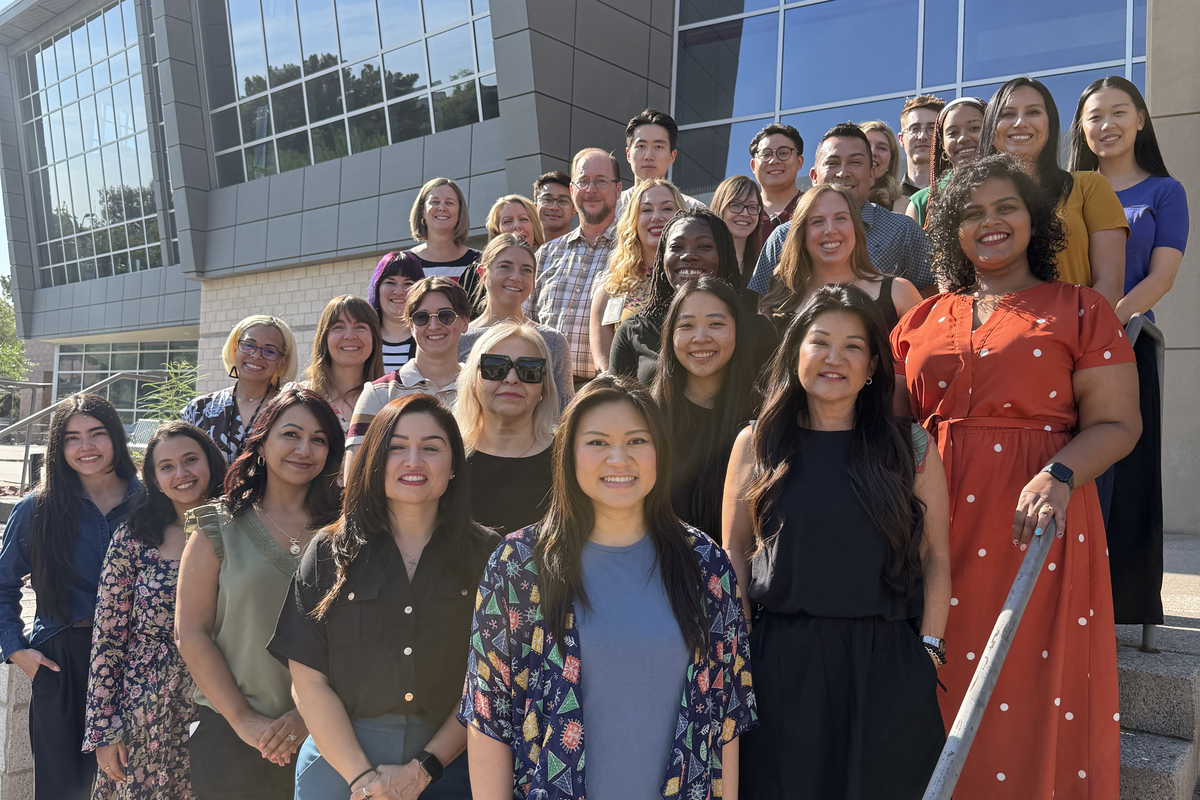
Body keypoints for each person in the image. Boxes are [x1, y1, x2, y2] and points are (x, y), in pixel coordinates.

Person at [894, 154, 1141, 796]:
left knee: (1028, 684)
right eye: (972, 213)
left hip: (1033, 526)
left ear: (1034, 219)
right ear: (953, 230)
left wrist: (1060, 471)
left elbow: (1118, 424)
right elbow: (885, 425)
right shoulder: (920, 318)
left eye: (1005, 207)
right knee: (931, 679)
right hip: (931, 525)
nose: (991, 222)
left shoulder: (1082, 309)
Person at [458, 377, 757, 800]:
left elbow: (726, 719)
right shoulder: (519, 565)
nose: (619, 458)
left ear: (660, 452)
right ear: (568, 454)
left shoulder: (705, 564)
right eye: (597, 443)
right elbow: (489, 716)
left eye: (637, 441)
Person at [724, 285, 950, 799]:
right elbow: (734, 550)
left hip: (886, 663)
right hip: (782, 661)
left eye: (853, 346)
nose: (834, 358)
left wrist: (931, 650)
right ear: (795, 351)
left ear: (873, 364)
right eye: (820, 342)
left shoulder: (909, 445)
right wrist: (743, 649)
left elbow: (936, 555)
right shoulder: (757, 442)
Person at [269, 394, 498, 800]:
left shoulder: (489, 557)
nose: (414, 461)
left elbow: (489, 681)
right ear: (375, 461)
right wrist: (362, 781)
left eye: (431, 448)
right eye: (397, 447)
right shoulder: (330, 551)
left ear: (453, 467)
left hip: (450, 766)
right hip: (340, 766)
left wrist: (424, 770)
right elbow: (307, 680)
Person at [176, 387, 344, 800]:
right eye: (291, 434)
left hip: (330, 737)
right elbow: (191, 633)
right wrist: (242, 719)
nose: (304, 449)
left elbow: (360, 638)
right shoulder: (217, 525)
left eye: (319, 439)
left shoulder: (347, 532)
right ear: (262, 443)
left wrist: (308, 717)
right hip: (231, 736)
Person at [1069, 75, 1190, 627]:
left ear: (1140, 119)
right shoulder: (1066, 190)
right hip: (1063, 349)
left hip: (1127, 343)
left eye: (1119, 111)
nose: (1107, 124)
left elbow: (1161, 276)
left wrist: (1104, 323)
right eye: (1095, 115)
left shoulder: (1164, 192)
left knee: (1129, 477)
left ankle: (1126, 608)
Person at [0, 394, 140, 800]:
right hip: (62, 659)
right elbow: (4, 584)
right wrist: (16, 650)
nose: (87, 447)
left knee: (133, 781)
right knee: (63, 789)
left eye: (97, 434)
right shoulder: (36, 509)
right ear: (58, 448)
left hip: (137, 658)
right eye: (73, 438)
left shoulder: (151, 504)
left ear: (116, 438)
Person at [84, 422, 227, 800]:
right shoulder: (134, 537)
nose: (181, 474)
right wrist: (105, 729)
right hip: (145, 706)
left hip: (223, 697)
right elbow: (108, 639)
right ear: (154, 478)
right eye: (166, 467)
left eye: (190, 460)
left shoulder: (245, 530)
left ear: (211, 462)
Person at [978, 77, 1128, 308]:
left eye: (1033, 112)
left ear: (1050, 123)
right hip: (994, 337)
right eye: (1007, 114)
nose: (1020, 122)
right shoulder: (969, 198)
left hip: (1077, 335)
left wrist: (1073, 333)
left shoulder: (1089, 186)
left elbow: (1109, 284)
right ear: (991, 127)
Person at [749, 123, 937, 299]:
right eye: (832, 163)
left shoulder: (902, 231)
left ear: (872, 174)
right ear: (814, 176)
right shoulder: (783, 237)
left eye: (855, 162)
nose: (843, 173)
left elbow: (932, 296)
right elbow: (760, 311)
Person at [610, 208, 775, 385]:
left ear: (724, 254)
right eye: (676, 247)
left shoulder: (759, 332)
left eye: (704, 246)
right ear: (662, 257)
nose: (688, 255)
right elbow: (615, 407)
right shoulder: (634, 331)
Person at [651, 277, 759, 540]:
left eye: (716, 324)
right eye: (686, 325)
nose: (701, 338)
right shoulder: (646, 417)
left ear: (737, 332)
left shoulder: (762, 419)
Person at [347, 277, 472, 472]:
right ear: (411, 326)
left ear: (465, 321)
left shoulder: (483, 389)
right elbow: (355, 478)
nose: (433, 325)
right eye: (422, 317)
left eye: (445, 316)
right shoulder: (379, 393)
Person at [759, 183, 922, 332]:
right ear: (802, 235)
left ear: (856, 228)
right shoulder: (778, 303)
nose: (830, 230)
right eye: (817, 221)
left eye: (841, 218)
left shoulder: (899, 294)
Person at [528, 148, 622, 388]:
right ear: (572, 190)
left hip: (602, 390)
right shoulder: (546, 254)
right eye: (583, 182)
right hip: (543, 390)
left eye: (601, 181)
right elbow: (523, 322)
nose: (591, 190)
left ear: (618, 189)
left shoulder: (633, 253)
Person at [455, 322, 559, 534]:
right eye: (495, 367)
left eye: (529, 369)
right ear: (473, 381)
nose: (511, 379)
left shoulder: (567, 460)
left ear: (544, 385)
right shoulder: (446, 456)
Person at [458, 234, 573, 410]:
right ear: (482, 273)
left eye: (526, 270)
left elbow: (563, 417)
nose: (516, 277)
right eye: (505, 267)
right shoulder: (460, 339)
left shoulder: (552, 341)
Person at [589, 178, 684, 371]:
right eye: (646, 210)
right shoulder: (611, 290)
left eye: (667, 209)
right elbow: (605, 368)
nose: (657, 217)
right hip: (630, 396)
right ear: (633, 219)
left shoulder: (697, 281)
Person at [182, 315, 298, 465]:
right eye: (249, 345)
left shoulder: (294, 410)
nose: (256, 355)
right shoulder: (199, 410)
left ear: (282, 361)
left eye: (269, 351)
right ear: (235, 349)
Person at [293, 295, 383, 433]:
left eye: (360, 327)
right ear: (324, 339)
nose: (349, 335)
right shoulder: (298, 397)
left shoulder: (389, 399)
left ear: (374, 338)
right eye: (339, 327)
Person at [907, 97, 987, 228]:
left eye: (974, 128)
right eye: (952, 133)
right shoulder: (921, 203)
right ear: (942, 144)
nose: (963, 138)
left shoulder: (1014, 185)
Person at [615, 109, 705, 216]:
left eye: (658, 147)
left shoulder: (693, 211)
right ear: (628, 154)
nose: (649, 156)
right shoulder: (610, 208)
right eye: (641, 146)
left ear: (672, 156)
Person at [407, 178, 483, 302]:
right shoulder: (405, 263)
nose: (442, 208)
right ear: (422, 211)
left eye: (449, 203)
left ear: (459, 211)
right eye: (435, 202)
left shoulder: (480, 263)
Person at [367, 251, 425, 373]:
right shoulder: (363, 337)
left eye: (408, 283)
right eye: (390, 282)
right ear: (377, 288)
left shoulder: (430, 336)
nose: (399, 291)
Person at [748, 122, 805, 233]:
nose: (774, 161)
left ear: (799, 162)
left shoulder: (813, 207)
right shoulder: (740, 214)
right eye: (765, 154)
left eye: (783, 153)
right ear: (753, 166)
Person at [711, 175, 765, 279]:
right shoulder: (706, 260)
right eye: (736, 205)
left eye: (752, 207)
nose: (745, 213)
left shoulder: (763, 266)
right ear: (720, 208)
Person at [897, 95, 946, 197]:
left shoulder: (958, 191)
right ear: (901, 139)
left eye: (931, 128)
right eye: (914, 129)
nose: (922, 136)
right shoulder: (889, 199)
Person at [861, 119, 904, 211]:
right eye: (866, 145)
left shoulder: (902, 206)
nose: (872, 152)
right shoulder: (836, 197)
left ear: (891, 161)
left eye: (881, 148)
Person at [533, 171, 576, 243]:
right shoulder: (524, 251)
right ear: (535, 207)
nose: (554, 207)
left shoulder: (584, 251)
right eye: (547, 200)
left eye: (562, 201)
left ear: (574, 209)